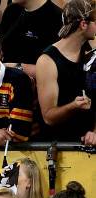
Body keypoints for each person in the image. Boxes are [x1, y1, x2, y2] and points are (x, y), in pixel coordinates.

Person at [35, 0, 95, 143]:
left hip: (90, 137)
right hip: (60, 142)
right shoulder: (47, 62)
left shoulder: (92, 49)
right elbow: (49, 117)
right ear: (83, 24)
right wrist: (73, 106)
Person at [0, 0, 62, 79]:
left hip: (34, 86)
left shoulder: (57, 18)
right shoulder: (11, 10)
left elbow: (59, 70)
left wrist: (18, 68)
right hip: (2, 84)